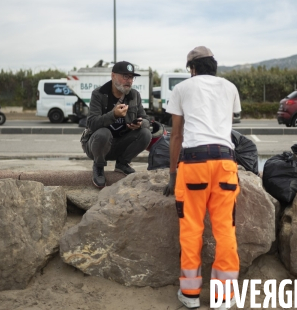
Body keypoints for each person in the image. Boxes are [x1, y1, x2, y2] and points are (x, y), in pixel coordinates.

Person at [163, 46, 241, 310]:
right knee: (225, 230)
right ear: (214, 66)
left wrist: (173, 174)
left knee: (191, 230)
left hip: (194, 163)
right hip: (225, 162)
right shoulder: (229, 87)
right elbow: (227, 125)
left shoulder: (182, 89)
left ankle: (191, 294)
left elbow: (176, 135)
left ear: (192, 69)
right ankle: (223, 296)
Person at [81, 61, 152, 189]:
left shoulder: (134, 95)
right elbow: (92, 123)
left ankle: (122, 164)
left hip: (119, 144)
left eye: (131, 77)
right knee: (104, 133)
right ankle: (98, 166)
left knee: (146, 133)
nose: (129, 80)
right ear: (113, 76)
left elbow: (147, 120)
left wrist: (140, 124)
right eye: (125, 76)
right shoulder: (99, 94)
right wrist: (113, 115)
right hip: (96, 145)